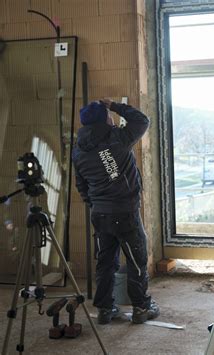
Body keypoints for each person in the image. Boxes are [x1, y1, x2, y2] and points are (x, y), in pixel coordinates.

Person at [72, 99, 159, 324]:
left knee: (106, 262)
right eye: (108, 115)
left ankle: (105, 309)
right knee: (136, 260)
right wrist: (114, 104)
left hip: (100, 215)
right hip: (125, 213)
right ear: (105, 119)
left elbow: (81, 185)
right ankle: (141, 307)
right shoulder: (117, 140)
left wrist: (96, 205)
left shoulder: (78, 150)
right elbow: (142, 120)